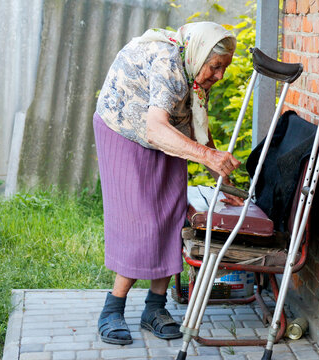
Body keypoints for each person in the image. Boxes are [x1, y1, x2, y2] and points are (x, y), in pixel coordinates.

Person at [93, 22, 244, 345]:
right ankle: (112, 308)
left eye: (224, 68)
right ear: (199, 54)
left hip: (165, 131)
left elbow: (194, 123)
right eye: (216, 67)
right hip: (125, 128)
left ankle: (154, 308)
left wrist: (223, 181)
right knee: (141, 220)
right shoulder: (168, 65)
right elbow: (154, 129)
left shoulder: (193, 68)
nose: (219, 76)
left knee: (172, 212)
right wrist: (206, 157)